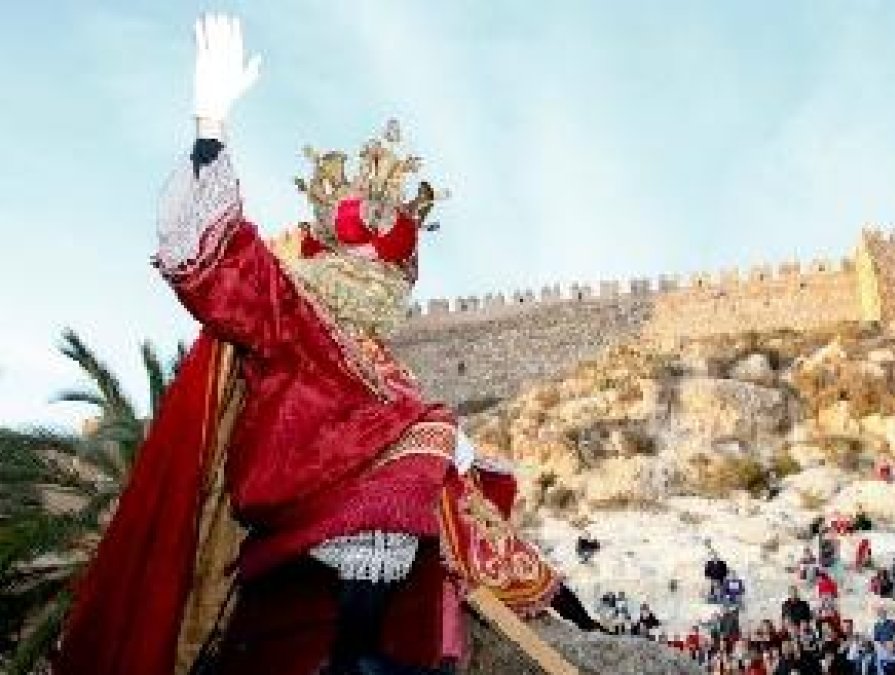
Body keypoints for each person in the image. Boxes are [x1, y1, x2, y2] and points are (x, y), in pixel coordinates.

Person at [56, 14, 603, 675]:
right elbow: (223, 266)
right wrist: (210, 127)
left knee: (453, 466)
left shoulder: (384, 361)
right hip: (296, 483)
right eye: (362, 257)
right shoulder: (293, 311)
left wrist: (458, 449)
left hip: (362, 480)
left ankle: (555, 609)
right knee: (427, 441)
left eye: (387, 267)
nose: (372, 273)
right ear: (329, 252)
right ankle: (354, 654)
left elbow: (399, 423)